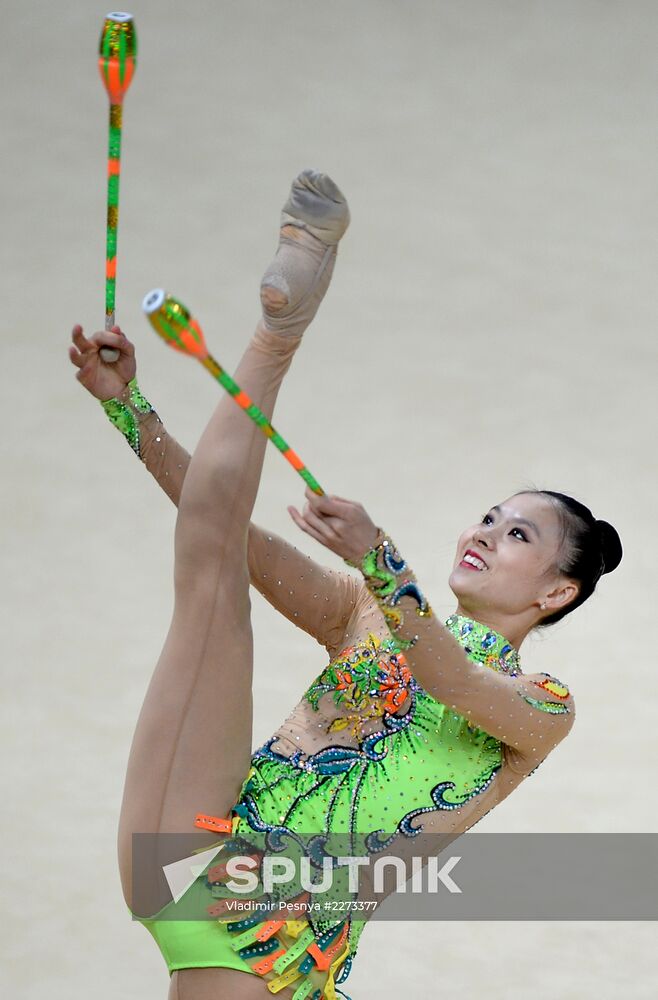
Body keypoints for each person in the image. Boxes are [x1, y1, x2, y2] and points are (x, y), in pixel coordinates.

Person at [69, 169, 622, 1000]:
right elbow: (215, 523)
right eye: (487, 516)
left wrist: (382, 561)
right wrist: (129, 409)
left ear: (556, 593)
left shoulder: (539, 707)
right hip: (208, 840)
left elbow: (452, 678)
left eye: (518, 535)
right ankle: (277, 331)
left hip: (279, 932)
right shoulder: (366, 611)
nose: (483, 532)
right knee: (210, 562)